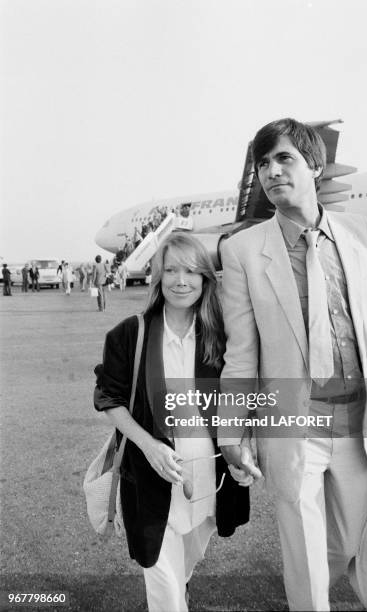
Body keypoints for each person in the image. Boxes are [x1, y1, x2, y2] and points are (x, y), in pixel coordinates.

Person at [218, 118, 367, 611]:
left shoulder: (358, 233)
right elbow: (242, 353)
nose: (271, 172)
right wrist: (231, 432)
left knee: (342, 543)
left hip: (358, 422)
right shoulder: (241, 252)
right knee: (304, 554)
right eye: (262, 163)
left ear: (314, 166)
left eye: (284, 159)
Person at [93, 233, 249, 612]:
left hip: (210, 480)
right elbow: (108, 398)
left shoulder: (222, 334)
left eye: (192, 271)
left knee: (185, 568)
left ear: (206, 278)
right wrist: (150, 446)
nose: (182, 280)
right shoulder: (130, 333)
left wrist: (241, 448)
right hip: (149, 478)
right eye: (172, 270)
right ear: (158, 276)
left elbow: (241, 398)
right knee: (164, 586)